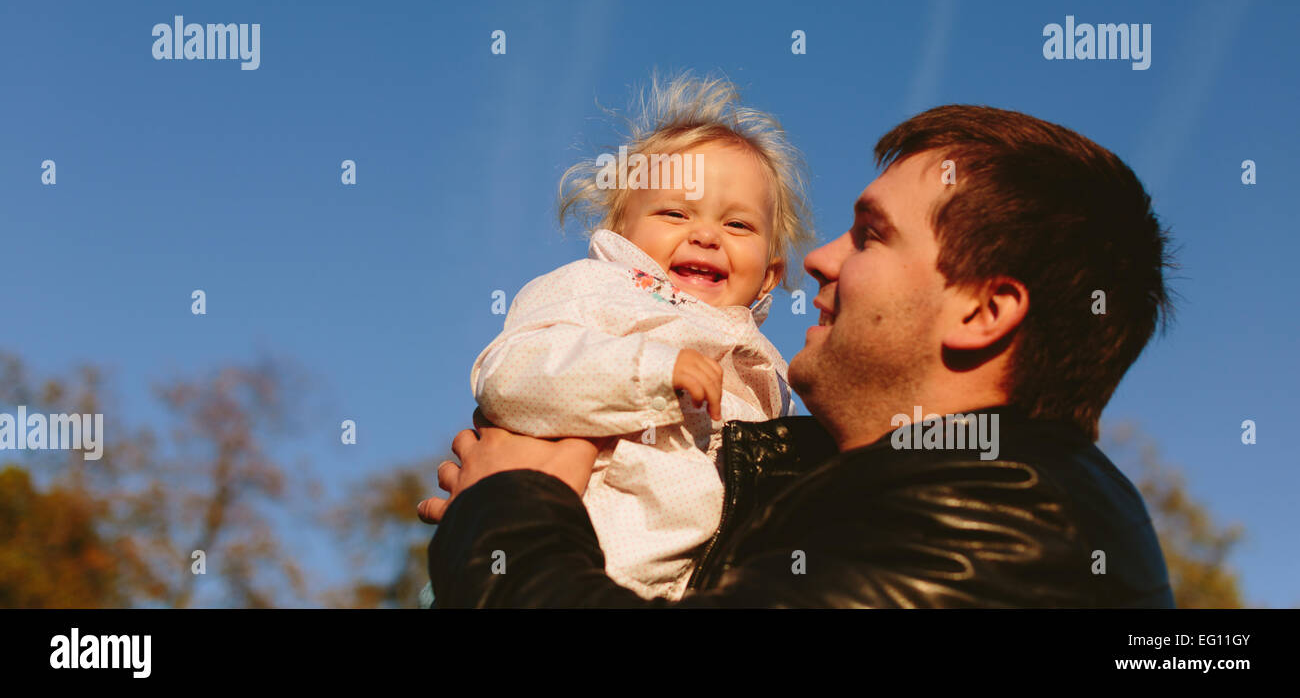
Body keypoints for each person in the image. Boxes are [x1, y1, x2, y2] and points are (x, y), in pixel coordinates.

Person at [420, 104, 1179, 608]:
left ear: (983, 311)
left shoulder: (1007, 521)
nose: (818, 258)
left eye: (872, 234)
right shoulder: (875, 495)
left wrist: (511, 513)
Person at [465, 73, 816, 599]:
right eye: (675, 213)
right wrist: (649, 370)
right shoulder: (598, 290)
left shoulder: (767, 373)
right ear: (621, 232)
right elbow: (510, 374)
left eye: (738, 226)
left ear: (769, 274)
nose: (705, 234)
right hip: (568, 559)